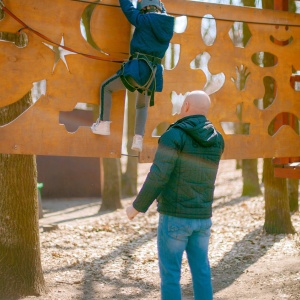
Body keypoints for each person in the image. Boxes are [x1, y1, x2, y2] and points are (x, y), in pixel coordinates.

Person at [126, 90, 225, 300]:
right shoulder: (217, 139)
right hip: (203, 217)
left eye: (182, 104)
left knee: (171, 274)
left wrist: (137, 207)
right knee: (202, 272)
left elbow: (159, 175)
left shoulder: (174, 135)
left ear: (187, 106)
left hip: (175, 217)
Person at [91, 0, 174, 152]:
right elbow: (163, 12)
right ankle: (138, 140)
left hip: (138, 70)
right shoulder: (168, 24)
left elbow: (128, 9)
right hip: (153, 75)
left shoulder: (143, 20)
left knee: (106, 87)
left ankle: (103, 123)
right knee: (142, 105)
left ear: (144, 8)